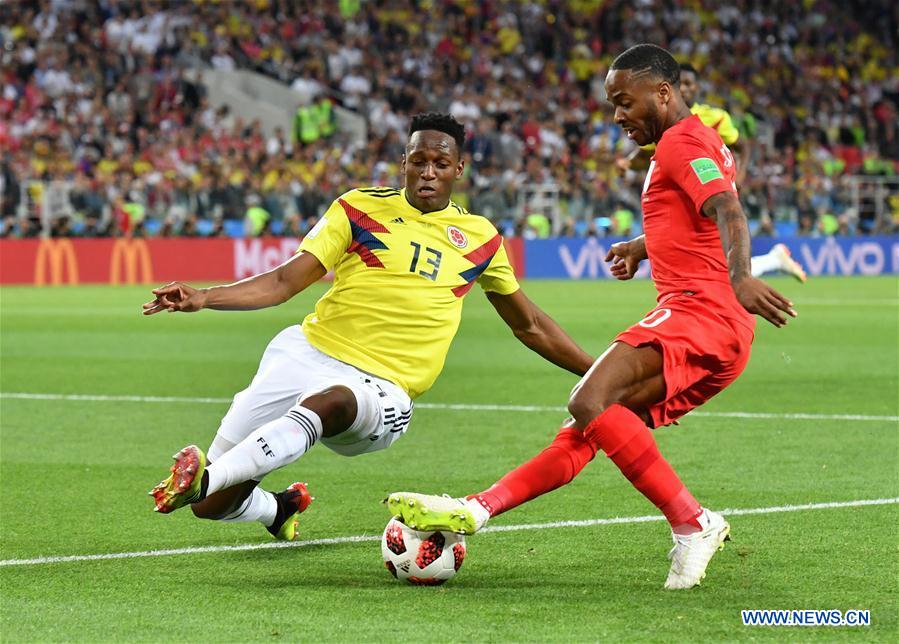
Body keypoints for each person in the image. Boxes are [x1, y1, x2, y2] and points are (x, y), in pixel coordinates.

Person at [385, 45, 798, 590]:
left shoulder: (684, 142)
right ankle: (478, 510)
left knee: (588, 398)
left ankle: (693, 522)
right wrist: (642, 245)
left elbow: (727, 208)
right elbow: (693, 218)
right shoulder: (679, 145)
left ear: (663, 93)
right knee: (584, 428)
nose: (618, 116)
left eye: (625, 102)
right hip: (704, 322)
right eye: (613, 105)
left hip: (703, 314)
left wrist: (742, 276)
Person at [143, 113, 594, 541]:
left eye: (440, 163)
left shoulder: (480, 238)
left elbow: (530, 324)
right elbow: (284, 282)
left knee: (332, 402)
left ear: (459, 169)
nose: (428, 172)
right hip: (306, 353)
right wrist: (204, 297)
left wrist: (600, 374)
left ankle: (204, 477)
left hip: (383, 386)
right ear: (403, 163)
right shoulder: (358, 208)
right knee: (213, 506)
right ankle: (277, 508)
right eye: (418, 161)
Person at [618, 63, 807, 282]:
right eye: (681, 84)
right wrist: (628, 164)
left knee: (715, 262)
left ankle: (766, 265)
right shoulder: (663, 121)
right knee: (712, 263)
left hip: (710, 192)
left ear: (697, 88)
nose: (685, 89)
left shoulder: (715, 117)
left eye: (689, 84)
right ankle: (773, 260)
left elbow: (741, 145)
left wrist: (741, 173)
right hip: (683, 196)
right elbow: (646, 155)